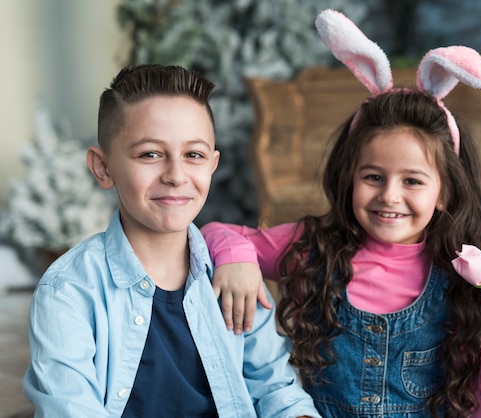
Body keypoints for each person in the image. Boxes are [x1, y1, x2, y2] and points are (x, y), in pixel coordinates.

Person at [200, 9, 481, 418]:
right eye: (373, 177)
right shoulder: (312, 247)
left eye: (412, 181)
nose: (389, 196)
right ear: (349, 178)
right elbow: (215, 231)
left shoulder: (468, 274)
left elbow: (478, 412)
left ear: (445, 192)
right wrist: (237, 259)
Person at [23, 64, 320, 418]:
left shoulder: (235, 275)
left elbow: (276, 391)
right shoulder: (68, 292)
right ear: (103, 168)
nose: (176, 176)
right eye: (150, 154)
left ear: (212, 165)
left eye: (193, 155)